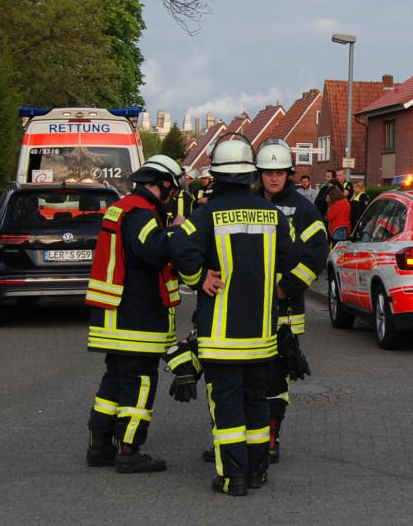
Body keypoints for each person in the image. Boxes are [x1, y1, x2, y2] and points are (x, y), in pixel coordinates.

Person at [170, 138, 299, 496]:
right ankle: (257, 472)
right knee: (256, 403)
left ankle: (233, 477)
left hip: (220, 338)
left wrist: (198, 277)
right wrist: (271, 279)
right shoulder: (273, 215)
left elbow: (179, 244)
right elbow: (294, 256)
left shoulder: (206, 214)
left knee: (227, 408)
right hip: (261, 337)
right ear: (250, 174)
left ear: (216, 176)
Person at [85, 154, 184, 473]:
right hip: (135, 315)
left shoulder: (123, 206)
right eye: (173, 190)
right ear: (164, 184)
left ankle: (100, 447)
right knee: (140, 381)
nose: (173, 197)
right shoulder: (141, 212)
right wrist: (176, 232)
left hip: (114, 314)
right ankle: (129, 451)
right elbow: (153, 251)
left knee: (114, 381)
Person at [253, 139, 325, 462]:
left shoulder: (303, 210)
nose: (273, 178)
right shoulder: (249, 203)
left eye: (279, 172)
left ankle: (270, 439)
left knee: (274, 379)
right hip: (246, 310)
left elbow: (316, 254)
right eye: (268, 172)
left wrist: (288, 286)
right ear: (259, 174)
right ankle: (237, 441)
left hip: (283, 312)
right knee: (244, 377)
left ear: (288, 174)